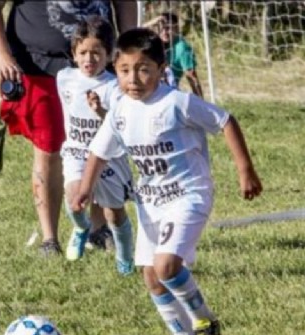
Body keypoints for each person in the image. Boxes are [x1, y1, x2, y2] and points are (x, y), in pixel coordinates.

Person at [72, 28, 262, 334]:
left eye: (144, 70)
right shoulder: (120, 108)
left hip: (189, 194)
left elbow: (225, 120)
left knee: (166, 267)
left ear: (161, 70)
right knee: (151, 277)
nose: (133, 79)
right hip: (150, 202)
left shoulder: (177, 102)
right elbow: (99, 151)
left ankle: (206, 321)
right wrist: (85, 187)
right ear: (115, 69)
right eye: (124, 70)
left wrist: (245, 170)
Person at [0, 1, 138, 255]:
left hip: (98, 63)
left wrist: (129, 49)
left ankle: (98, 229)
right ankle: (49, 239)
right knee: (48, 149)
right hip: (39, 67)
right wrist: (1, 53)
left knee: (101, 146)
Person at [57, 16, 134, 274]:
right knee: (73, 197)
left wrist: (101, 112)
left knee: (114, 213)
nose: (89, 59)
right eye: (83, 53)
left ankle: (125, 258)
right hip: (77, 151)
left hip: (108, 156)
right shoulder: (64, 78)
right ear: (74, 54)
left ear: (110, 54)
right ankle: (81, 227)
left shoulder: (115, 87)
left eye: (96, 53)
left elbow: (120, 126)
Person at [145, 12, 203, 98]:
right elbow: (131, 33)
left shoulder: (182, 47)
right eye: (161, 28)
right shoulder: (152, 43)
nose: (164, 32)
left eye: (168, 28)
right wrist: (152, 22)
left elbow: (192, 77)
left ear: (176, 28)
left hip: (167, 94)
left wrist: (201, 104)